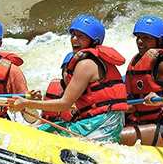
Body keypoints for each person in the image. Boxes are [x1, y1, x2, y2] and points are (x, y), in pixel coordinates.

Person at [9, 14, 128, 143]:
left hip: (102, 124)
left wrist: (26, 103)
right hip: (109, 123)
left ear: (94, 41)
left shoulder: (86, 65)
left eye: (80, 36)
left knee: (40, 135)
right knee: (47, 128)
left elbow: (64, 104)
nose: (74, 39)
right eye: (73, 35)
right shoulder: (98, 61)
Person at [120, 15, 163, 147]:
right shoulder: (135, 63)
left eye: (146, 38)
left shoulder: (162, 64)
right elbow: (133, 104)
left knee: (119, 136)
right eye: (138, 37)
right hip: (143, 121)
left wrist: (162, 98)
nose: (140, 41)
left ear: (159, 41)